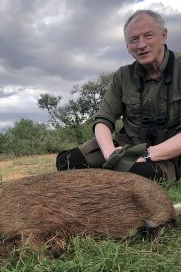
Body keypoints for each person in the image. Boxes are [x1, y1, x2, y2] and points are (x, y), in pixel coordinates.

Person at [56, 9, 181, 181]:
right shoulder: (122, 75)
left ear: (164, 36)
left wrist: (146, 155)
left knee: (135, 177)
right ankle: (110, 171)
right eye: (133, 40)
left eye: (148, 35)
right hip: (127, 145)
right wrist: (109, 153)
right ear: (127, 46)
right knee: (66, 162)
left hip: (168, 152)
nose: (141, 45)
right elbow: (103, 119)